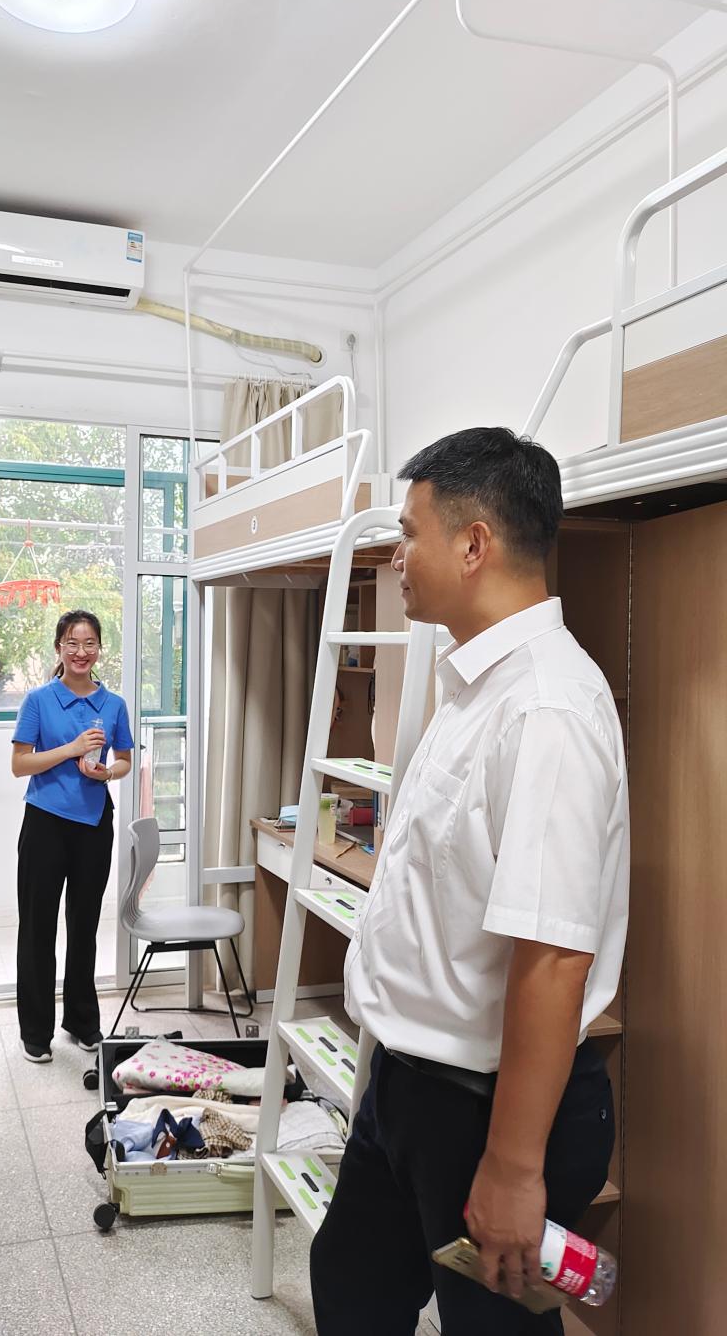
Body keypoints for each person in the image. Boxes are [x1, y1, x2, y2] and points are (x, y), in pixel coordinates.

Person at [310, 428, 629, 1334]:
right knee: (350, 1288)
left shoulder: (547, 707)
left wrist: (515, 1168)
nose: (395, 555)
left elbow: (553, 957)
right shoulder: (474, 688)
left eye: (409, 533)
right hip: (408, 1088)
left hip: (490, 1112)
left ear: (473, 543)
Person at [11, 608, 133, 1063]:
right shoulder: (39, 700)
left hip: (94, 824)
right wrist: (71, 749)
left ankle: (82, 1021)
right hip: (44, 822)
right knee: (37, 927)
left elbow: (124, 760)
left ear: (99, 648)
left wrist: (107, 773)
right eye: (72, 643)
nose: (81, 652)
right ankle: (35, 1031)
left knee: (84, 927)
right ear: (59, 648)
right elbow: (20, 764)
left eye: (89, 643)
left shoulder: (114, 704)